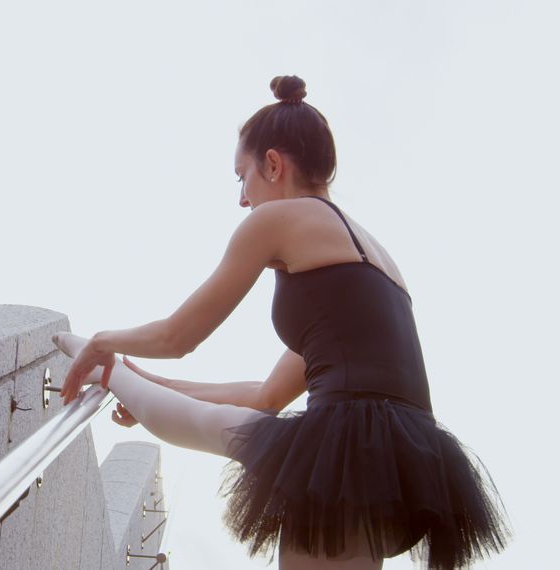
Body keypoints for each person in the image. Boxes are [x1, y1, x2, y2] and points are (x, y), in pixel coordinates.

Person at [53, 75, 511, 570]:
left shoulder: (280, 221)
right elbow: (266, 395)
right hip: (398, 457)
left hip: (349, 447)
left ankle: (103, 365)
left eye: (241, 177)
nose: (242, 199)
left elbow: (177, 336)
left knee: (204, 424)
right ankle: (123, 378)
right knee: (210, 422)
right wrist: (154, 383)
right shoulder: (368, 260)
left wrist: (104, 341)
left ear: (272, 164)